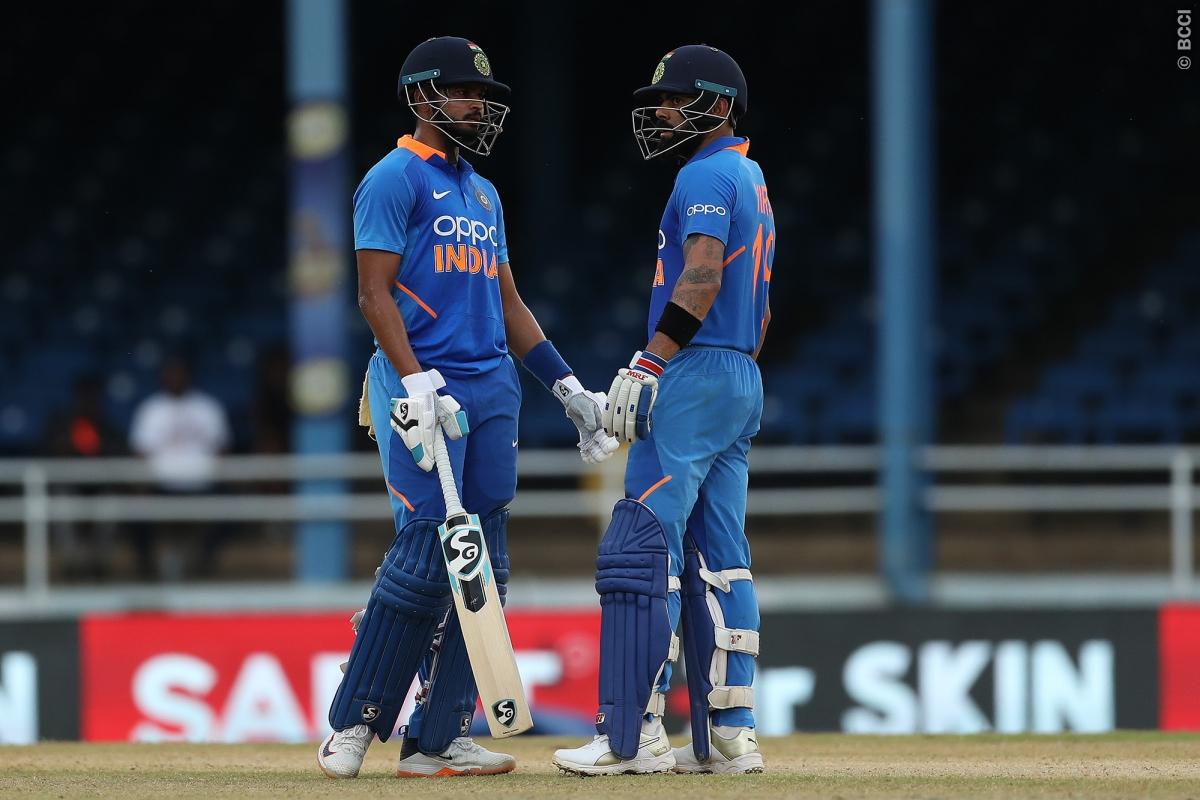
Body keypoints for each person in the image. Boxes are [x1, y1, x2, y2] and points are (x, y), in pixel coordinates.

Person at [317, 36, 616, 780]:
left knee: (488, 567)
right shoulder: (392, 179)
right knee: (429, 552)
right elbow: (373, 295)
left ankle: (438, 738)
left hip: (491, 387)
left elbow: (507, 302)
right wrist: (414, 380)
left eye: (482, 95)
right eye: (463, 92)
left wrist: (567, 387)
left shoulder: (484, 193)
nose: (478, 105)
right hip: (425, 386)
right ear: (422, 97)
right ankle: (355, 722)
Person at [553, 45, 773, 776]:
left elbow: (702, 274)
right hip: (740, 371)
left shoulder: (704, 173)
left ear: (719, 105)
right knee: (724, 559)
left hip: (695, 368)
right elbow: (758, 303)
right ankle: (731, 735)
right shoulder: (751, 175)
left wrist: (652, 361)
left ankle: (631, 735)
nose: (664, 113)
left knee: (642, 546)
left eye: (677, 100)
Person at [128, 356, 231, 579]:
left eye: (180, 373)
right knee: (133, 511)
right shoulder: (151, 409)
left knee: (235, 506)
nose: (175, 378)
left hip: (203, 486)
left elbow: (222, 450)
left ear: (189, 376)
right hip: (160, 487)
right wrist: (140, 488)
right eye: (171, 373)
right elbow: (140, 453)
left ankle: (203, 562)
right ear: (163, 377)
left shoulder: (207, 407)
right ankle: (147, 570)